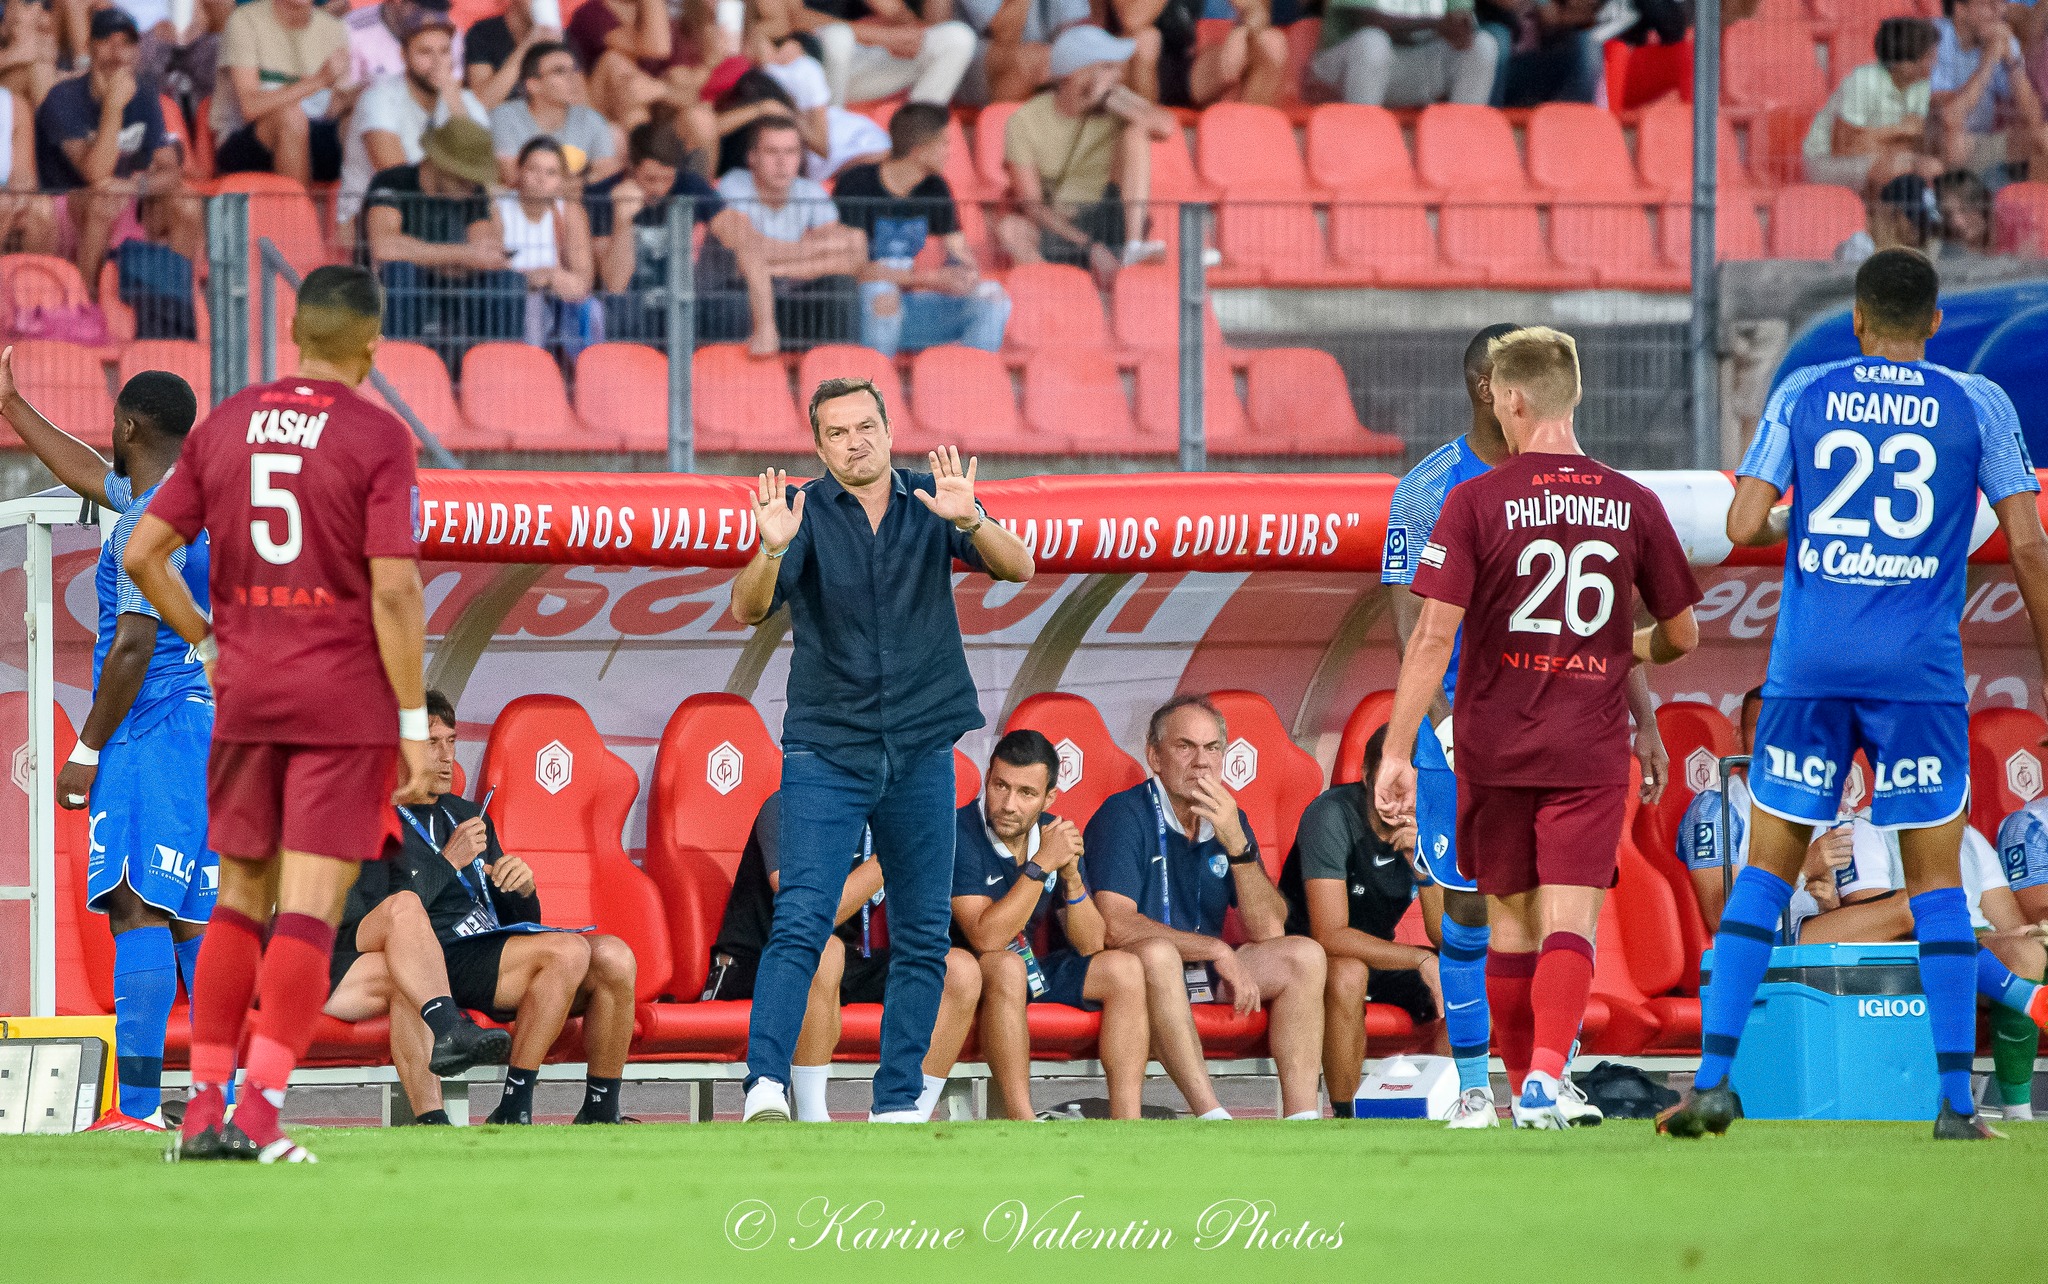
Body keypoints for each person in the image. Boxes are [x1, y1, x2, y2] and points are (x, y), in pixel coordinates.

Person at [1662, 248, 2048, 1143]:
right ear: (1936, 323)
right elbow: (2027, 543)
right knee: (1936, 882)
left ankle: (1715, 1084)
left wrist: (1808, 517)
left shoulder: (1807, 389)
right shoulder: (1979, 403)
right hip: (1917, 672)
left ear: (1862, 321)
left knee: (1764, 872)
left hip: (1811, 665)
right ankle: (1957, 1104)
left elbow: (1742, 522)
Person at [125, 263, 435, 1164]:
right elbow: (395, 592)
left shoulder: (225, 425)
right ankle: (259, 1116)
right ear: (371, 347)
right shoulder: (377, 435)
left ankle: (202, 1113)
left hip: (248, 691)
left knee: (238, 899)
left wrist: (211, 644)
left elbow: (147, 552)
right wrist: (414, 723)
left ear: (294, 332)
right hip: (342, 700)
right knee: (308, 908)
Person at [1377, 326, 1702, 1130]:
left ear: (1508, 394)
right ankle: (1523, 1081)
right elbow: (1675, 631)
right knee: (1543, 917)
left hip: (1493, 735)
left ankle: (1527, 1083)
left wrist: (1391, 747)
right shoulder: (1626, 499)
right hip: (1571, 736)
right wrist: (1623, 659)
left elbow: (1428, 634)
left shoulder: (1475, 501)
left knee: (1508, 918)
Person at [730, 379, 1035, 1124]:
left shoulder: (936, 498)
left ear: (891, 429)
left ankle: (897, 1103)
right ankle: (763, 1089)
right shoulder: (798, 512)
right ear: (819, 445)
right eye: (836, 432)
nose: (854, 441)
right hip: (827, 749)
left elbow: (1019, 566)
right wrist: (770, 549)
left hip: (923, 746)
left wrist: (977, 521)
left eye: (866, 426)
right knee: (801, 916)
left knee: (925, 930)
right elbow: (747, 608)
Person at [0, 355, 209, 1132]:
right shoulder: (182, 500)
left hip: (147, 725)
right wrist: (13, 407)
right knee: (192, 913)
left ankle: (143, 1109)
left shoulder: (141, 529)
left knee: (134, 904)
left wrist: (86, 751)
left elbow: (129, 645)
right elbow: (93, 475)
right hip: (203, 727)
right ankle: (228, 1100)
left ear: (129, 425)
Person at [386, 691, 640, 1127]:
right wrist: (448, 860)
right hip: (436, 960)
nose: (448, 756)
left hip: (492, 947)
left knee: (615, 955)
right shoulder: (379, 819)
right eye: (433, 744)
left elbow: (517, 919)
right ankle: (513, 1106)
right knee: (566, 952)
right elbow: (384, 915)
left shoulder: (466, 813)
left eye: (452, 741)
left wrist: (520, 888)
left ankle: (601, 1110)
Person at [1084, 695, 1330, 1120]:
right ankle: (1212, 1116)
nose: (1202, 762)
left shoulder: (1228, 817)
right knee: (1159, 956)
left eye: (1212, 748)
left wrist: (1237, 843)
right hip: (1145, 973)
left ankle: (1302, 1120)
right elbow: (1114, 924)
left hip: (1204, 976)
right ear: (1154, 756)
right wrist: (1215, 950)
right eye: (1185, 747)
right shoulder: (1124, 813)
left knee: (1304, 955)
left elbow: (1270, 930)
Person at [705, 790, 983, 1122]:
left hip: (839, 959)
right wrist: (892, 855)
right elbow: (813, 914)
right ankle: (811, 1119)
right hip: (759, 961)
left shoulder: (895, 818)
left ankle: (906, 1118)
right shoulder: (790, 805)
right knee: (824, 949)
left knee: (959, 970)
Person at [951, 731, 1157, 1121]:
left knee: (1124, 968)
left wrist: (1072, 878)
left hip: (1031, 971)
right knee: (1006, 965)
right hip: (967, 975)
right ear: (987, 780)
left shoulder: (1054, 834)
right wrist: (1041, 864)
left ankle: (1128, 1123)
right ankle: (1023, 1120)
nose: (1009, 804)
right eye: (1000, 786)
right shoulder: (960, 831)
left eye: (1026, 793)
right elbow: (985, 937)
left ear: (1049, 798)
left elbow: (1092, 944)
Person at [1278, 725, 1442, 1117]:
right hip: (1311, 958)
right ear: (1369, 776)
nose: (1404, 802)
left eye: (1415, 790)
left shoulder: (1431, 820)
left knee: (1462, 974)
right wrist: (1420, 960)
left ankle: (1443, 1105)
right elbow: (1329, 934)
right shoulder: (1331, 815)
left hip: (1378, 952)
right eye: (1394, 788)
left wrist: (1422, 867)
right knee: (1348, 972)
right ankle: (1347, 1117)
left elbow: (1443, 933)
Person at [1677, 687, 1913, 943]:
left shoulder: (1816, 804)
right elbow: (1721, 916)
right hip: (1756, 944)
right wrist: (1801, 868)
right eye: (1762, 728)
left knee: (1919, 907)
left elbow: (1833, 909)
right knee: (1908, 909)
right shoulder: (1716, 806)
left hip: (1805, 933)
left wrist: (1827, 899)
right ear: (1738, 737)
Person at [325, 860, 514, 1126]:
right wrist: (447, 862)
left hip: (351, 956)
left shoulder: (382, 832)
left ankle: (433, 1120)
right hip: (300, 955)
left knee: (411, 972)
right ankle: (450, 1027)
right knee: (403, 905)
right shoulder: (314, 828)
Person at [32, 7, 200, 285]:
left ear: (136, 52)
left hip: (124, 198)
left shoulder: (144, 96)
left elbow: (170, 171)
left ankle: (173, 306)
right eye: (106, 40)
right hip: (65, 209)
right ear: (89, 47)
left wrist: (135, 187)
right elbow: (95, 175)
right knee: (102, 199)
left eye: (125, 43)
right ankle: (87, 304)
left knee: (188, 203)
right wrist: (113, 107)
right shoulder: (62, 97)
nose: (116, 51)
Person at [585, 110, 776, 353]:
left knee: (733, 303)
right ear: (630, 168)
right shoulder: (601, 196)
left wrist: (766, 326)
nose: (659, 188)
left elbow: (745, 242)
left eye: (667, 179)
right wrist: (623, 223)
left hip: (680, 301)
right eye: (650, 179)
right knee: (616, 309)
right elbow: (613, 284)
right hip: (632, 308)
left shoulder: (688, 185)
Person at [995, 26, 1172, 287]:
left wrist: (1124, 105)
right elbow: (1031, 204)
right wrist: (1088, 247)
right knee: (1010, 229)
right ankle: (1059, 296)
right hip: (1060, 224)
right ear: (1078, 75)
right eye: (1108, 67)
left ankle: (1134, 246)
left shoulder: (1117, 102)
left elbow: (1166, 127)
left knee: (1136, 131)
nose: (1118, 75)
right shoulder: (1024, 121)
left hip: (1109, 214)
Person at [833, 101, 1010, 359]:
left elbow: (959, 250)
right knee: (881, 293)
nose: (949, 151)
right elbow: (858, 269)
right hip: (858, 309)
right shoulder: (857, 183)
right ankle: (877, 388)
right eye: (943, 143)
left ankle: (971, 382)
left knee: (994, 297)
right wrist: (930, 279)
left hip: (911, 304)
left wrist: (965, 273)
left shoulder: (936, 188)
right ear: (918, 150)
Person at [361, 117, 525, 369]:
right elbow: (385, 247)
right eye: (462, 178)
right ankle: (397, 367)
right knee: (400, 272)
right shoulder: (393, 182)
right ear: (438, 164)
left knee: (507, 282)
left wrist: (430, 256)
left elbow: (485, 254)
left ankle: (498, 372)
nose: (470, 186)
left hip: (457, 291)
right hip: (402, 294)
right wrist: (460, 255)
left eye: (474, 178)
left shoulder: (474, 192)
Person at [710, 115, 867, 350]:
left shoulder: (810, 191)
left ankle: (837, 367)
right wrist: (815, 249)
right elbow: (746, 253)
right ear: (752, 157)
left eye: (791, 152)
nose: (782, 162)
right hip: (737, 295)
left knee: (840, 283)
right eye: (772, 152)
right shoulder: (733, 186)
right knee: (740, 293)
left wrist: (771, 268)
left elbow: (849, 260)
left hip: (791, 293)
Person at [337, 12, 489, 229]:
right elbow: (395, 177)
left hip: (445, 216)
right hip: (376, 219)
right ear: (403, 55)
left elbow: (482, 169)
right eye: (425, 52)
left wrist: (455, 104)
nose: (437, 63)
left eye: (444, 52)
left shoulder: (462, 100)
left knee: (491, 203)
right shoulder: (379, 98)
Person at [212, 0, 357, 186]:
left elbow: (331, 107)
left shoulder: (333, 27)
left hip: (315, 131)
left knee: (368, 110)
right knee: (291, 117)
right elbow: (250, 107)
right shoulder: (244, 21)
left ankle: (371, 210)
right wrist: (319, 80)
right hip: (246, 141)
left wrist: (352, 99)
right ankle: (299, 214)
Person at [1803, 17, 1942, 192]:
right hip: (1825, 161)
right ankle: (1876, 217)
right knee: (1893, 168)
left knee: (1933, 167)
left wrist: (1871, 138)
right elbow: (1843, 148)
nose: (1934, 64)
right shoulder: (1862, 81)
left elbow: (1912, 138)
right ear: (1904, 64)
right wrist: (1899, 130)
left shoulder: (1921, 84)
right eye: (1929, 57)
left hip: (1878, 154)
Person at [566, 0, 733, 143]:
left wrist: (660, 90)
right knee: (616, 64)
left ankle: (693, 180)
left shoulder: (663, 23)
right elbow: (656, 48)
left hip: (653, 117)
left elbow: (688, 92)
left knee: (701, 119)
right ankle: (644, 159)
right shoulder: (591, 14)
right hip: (598, 118)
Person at [755, 0, 974, 107]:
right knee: (839, 37)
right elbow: (794, 19)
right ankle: (835, 132)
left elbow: (900, 15)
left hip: (865, 65)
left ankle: (916, 131)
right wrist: (876, 35)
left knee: (957, 38)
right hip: (818, 68)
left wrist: (905, 30)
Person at [499, 137, 602, 357]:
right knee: (532, 306)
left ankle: (589, 375)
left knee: (593, 310)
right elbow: (494, 264)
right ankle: (531, 373)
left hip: (557, 298)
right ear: (519, 172)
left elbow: (584, 276)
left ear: (562, 181)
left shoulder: (570, 212)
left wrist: (564, 280)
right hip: (511, 298)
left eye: (551, 173)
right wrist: (533, 278)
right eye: (533, 170)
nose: (541, 179)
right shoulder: (499, 207)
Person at [1930, 0, 2047, 185]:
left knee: (2044, 138)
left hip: (1980, 143)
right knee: (1954, 141)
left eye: (2002, 3)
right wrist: (1989, 59)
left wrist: (2013, 63)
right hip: (1936, 145)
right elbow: (1950, 116)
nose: (2000, 11)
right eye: (1990, 4)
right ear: (1961, 10)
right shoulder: (1934, 38)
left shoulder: (2002, 40)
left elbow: (2034, 118)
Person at [1309, 0, 1497, 107]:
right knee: (1373, 43)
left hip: (1414, 63)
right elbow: (1366, 20)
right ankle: (1360, 150)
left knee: (1482, 46)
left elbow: (1461, 18)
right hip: (1346, 68)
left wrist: (1461, 26)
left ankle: (1459, 157)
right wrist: (1437, 24)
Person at [490, 40, 619, 187]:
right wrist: (578, 181)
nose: (573, 78)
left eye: (574, 70)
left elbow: (606, 171)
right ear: (533, 85)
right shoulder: (505, 116)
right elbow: (512, 178)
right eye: (559, 71)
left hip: (573, 204)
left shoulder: (590, 118)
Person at [1475, 0, 1599, 108]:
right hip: (1500, 66)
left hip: (1543, 68)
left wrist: (1570, 14)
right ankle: (1488, 126)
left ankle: (1570, 127)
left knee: (1586, 42)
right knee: (1496, 39)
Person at [464, 0, 564, 112]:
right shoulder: (483, 34)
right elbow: (483, 103)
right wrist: (529, 43)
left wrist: (557, 52)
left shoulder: (562, 39)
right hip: (499, 125)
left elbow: (580, 106)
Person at [346, 0, 462, 86]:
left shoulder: (448, 30)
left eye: (436, 7)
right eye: (422, 7)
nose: (430, 17)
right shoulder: (353, 29)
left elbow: (454, 89)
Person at [1835, 171, 1942, 264]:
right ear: (1892, 214)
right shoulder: (1860, 248)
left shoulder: (1927, 254)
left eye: (1925, 228)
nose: (1921, 234)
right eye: (1917, 224)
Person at [0, 82, 56, 254]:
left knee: (41, 209)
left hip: (4, 197)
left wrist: (19, 194)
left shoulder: (14, 106)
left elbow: (24, 175)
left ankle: (26, 277)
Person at [1934, 167, 1994, 253]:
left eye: (1964, 209)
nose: (1957, 222)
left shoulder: (2015, 247)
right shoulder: (1941, 255)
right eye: (1947, 214)